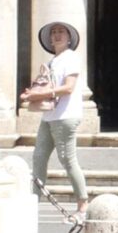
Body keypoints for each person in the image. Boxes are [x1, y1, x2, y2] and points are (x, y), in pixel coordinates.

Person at [21, 22, 90, 207]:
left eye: (61, 32)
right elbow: (48, 85)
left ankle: (83, 205)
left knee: (67, 159)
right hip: (50, 116)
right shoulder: (52, 61)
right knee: (39, 157)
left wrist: (39, 94)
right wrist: (31, 94)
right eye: (54, 32)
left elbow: (68, 88)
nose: (57, 35)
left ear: (69, 38)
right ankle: (34, 200)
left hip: (66, 116)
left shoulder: (71, 58)